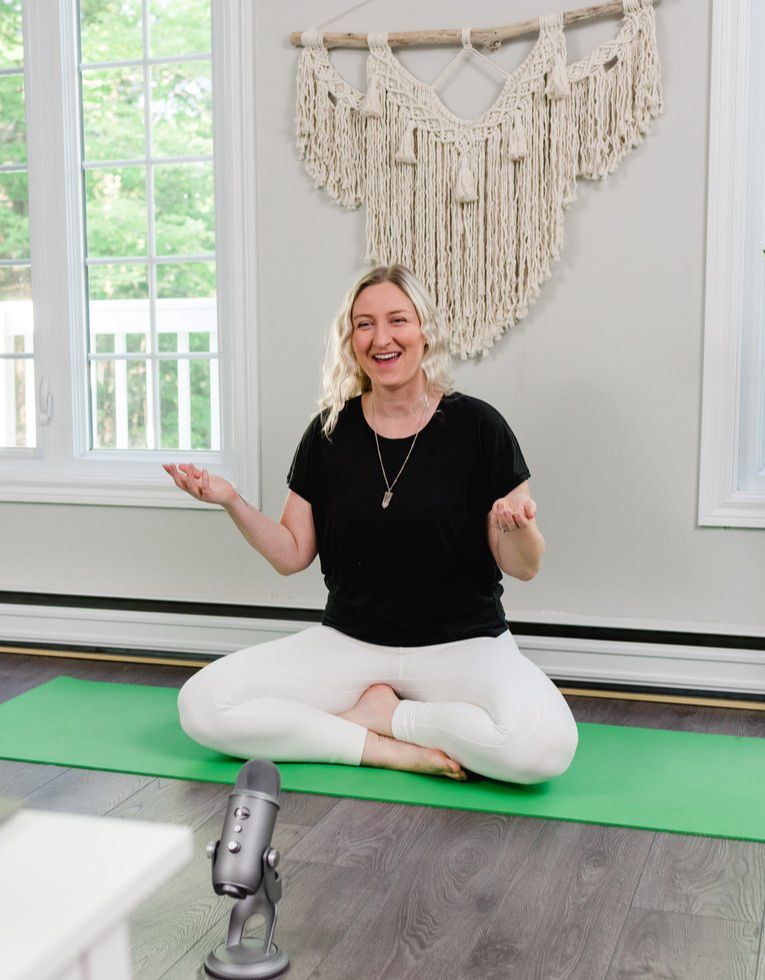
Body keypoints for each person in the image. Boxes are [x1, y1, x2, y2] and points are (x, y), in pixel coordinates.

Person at [162, 264, 578, 784]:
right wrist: (231, 501)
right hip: (350, 645)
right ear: (350, 340)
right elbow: (292, 554)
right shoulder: (329, 432)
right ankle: (379, 747)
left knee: (544, 748)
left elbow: (524, 568)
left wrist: (520, 532)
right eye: (364, 324)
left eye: (397, 320)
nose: (381, 338)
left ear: (425, 330)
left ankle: (392, 719)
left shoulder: (480, 428)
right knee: (203, 705)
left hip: (464, 646)